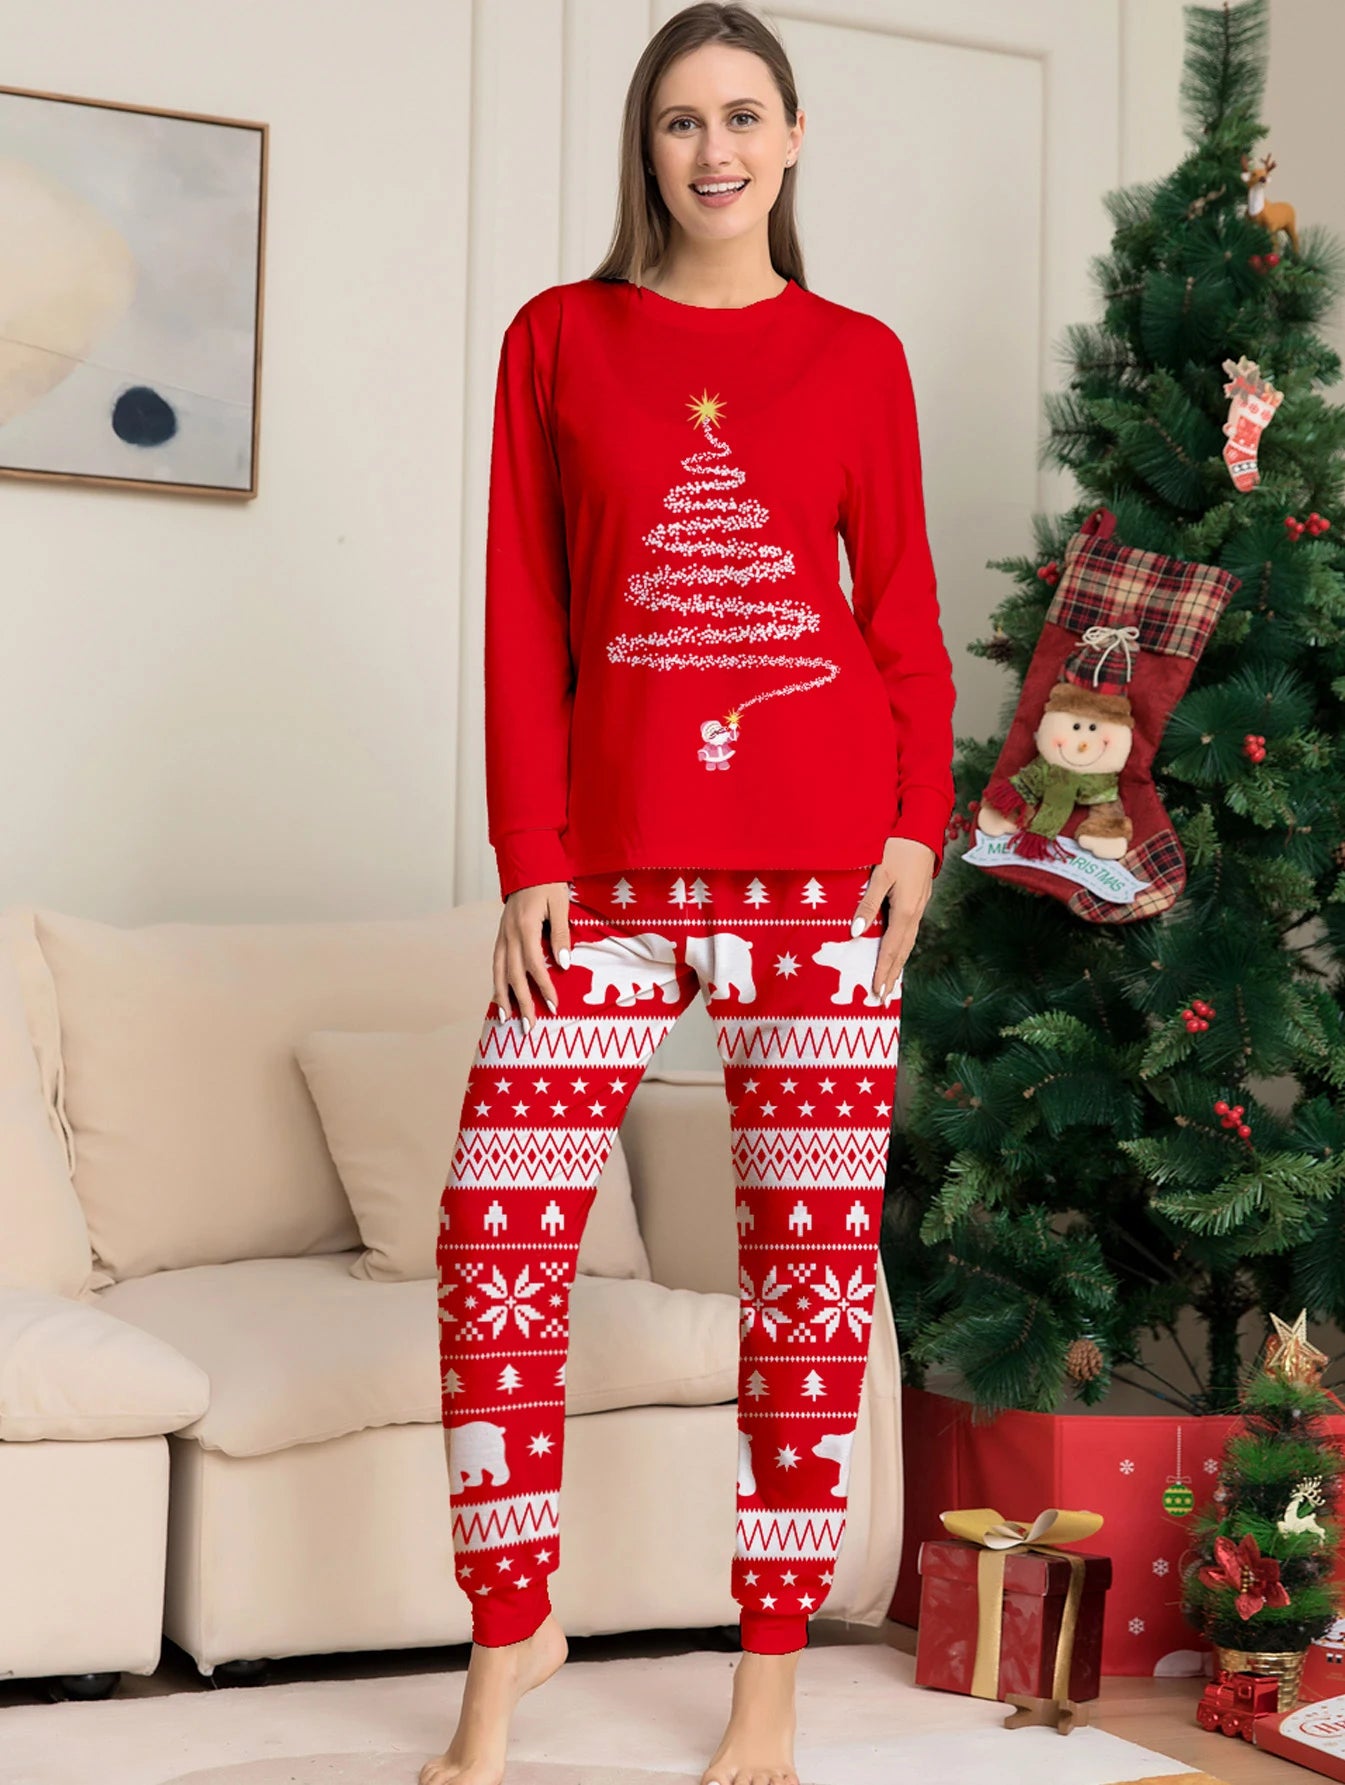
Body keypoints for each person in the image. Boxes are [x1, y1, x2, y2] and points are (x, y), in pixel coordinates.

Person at [420, 5, 955, 1782]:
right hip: (609, 882)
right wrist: (528, 857)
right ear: (642, 150)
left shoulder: (856, 358)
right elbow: (518, 611)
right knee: (494, 1236)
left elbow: (896, 621)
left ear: (792, 140)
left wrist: (910, 824)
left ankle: (770, 1679)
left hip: (823, 876)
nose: (711, 149)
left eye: (741, 117)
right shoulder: (559, 341)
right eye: (676, 122)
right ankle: (512, 1630)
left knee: (808, 1275)